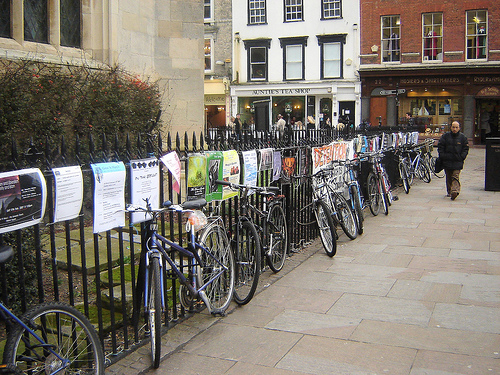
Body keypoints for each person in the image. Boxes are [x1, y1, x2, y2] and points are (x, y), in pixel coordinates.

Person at [437, 121, 469, 200]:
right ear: (451, 127)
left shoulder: (462, 138)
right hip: (447, 160)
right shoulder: (445, 136)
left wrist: (462, 157)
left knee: (455, 176)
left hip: (457, 160)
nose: (455, 129)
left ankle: (455, 191)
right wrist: (443, 156)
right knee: (448, 176)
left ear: (459, 128)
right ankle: (449, 191)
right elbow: (440, 146)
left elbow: (465, 148)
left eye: (456, 127)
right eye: (453, 127)